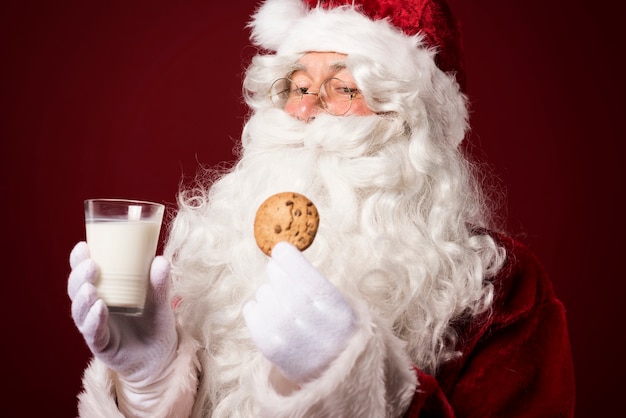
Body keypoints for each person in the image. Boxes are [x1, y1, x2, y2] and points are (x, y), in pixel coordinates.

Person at [67, 0, 576, 416]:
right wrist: (148, 387)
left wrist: (359, 387)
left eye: (344, 88)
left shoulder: (500, 290)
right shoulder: (216, 258)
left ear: (410, 120)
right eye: (299, 87)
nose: (306, 110)